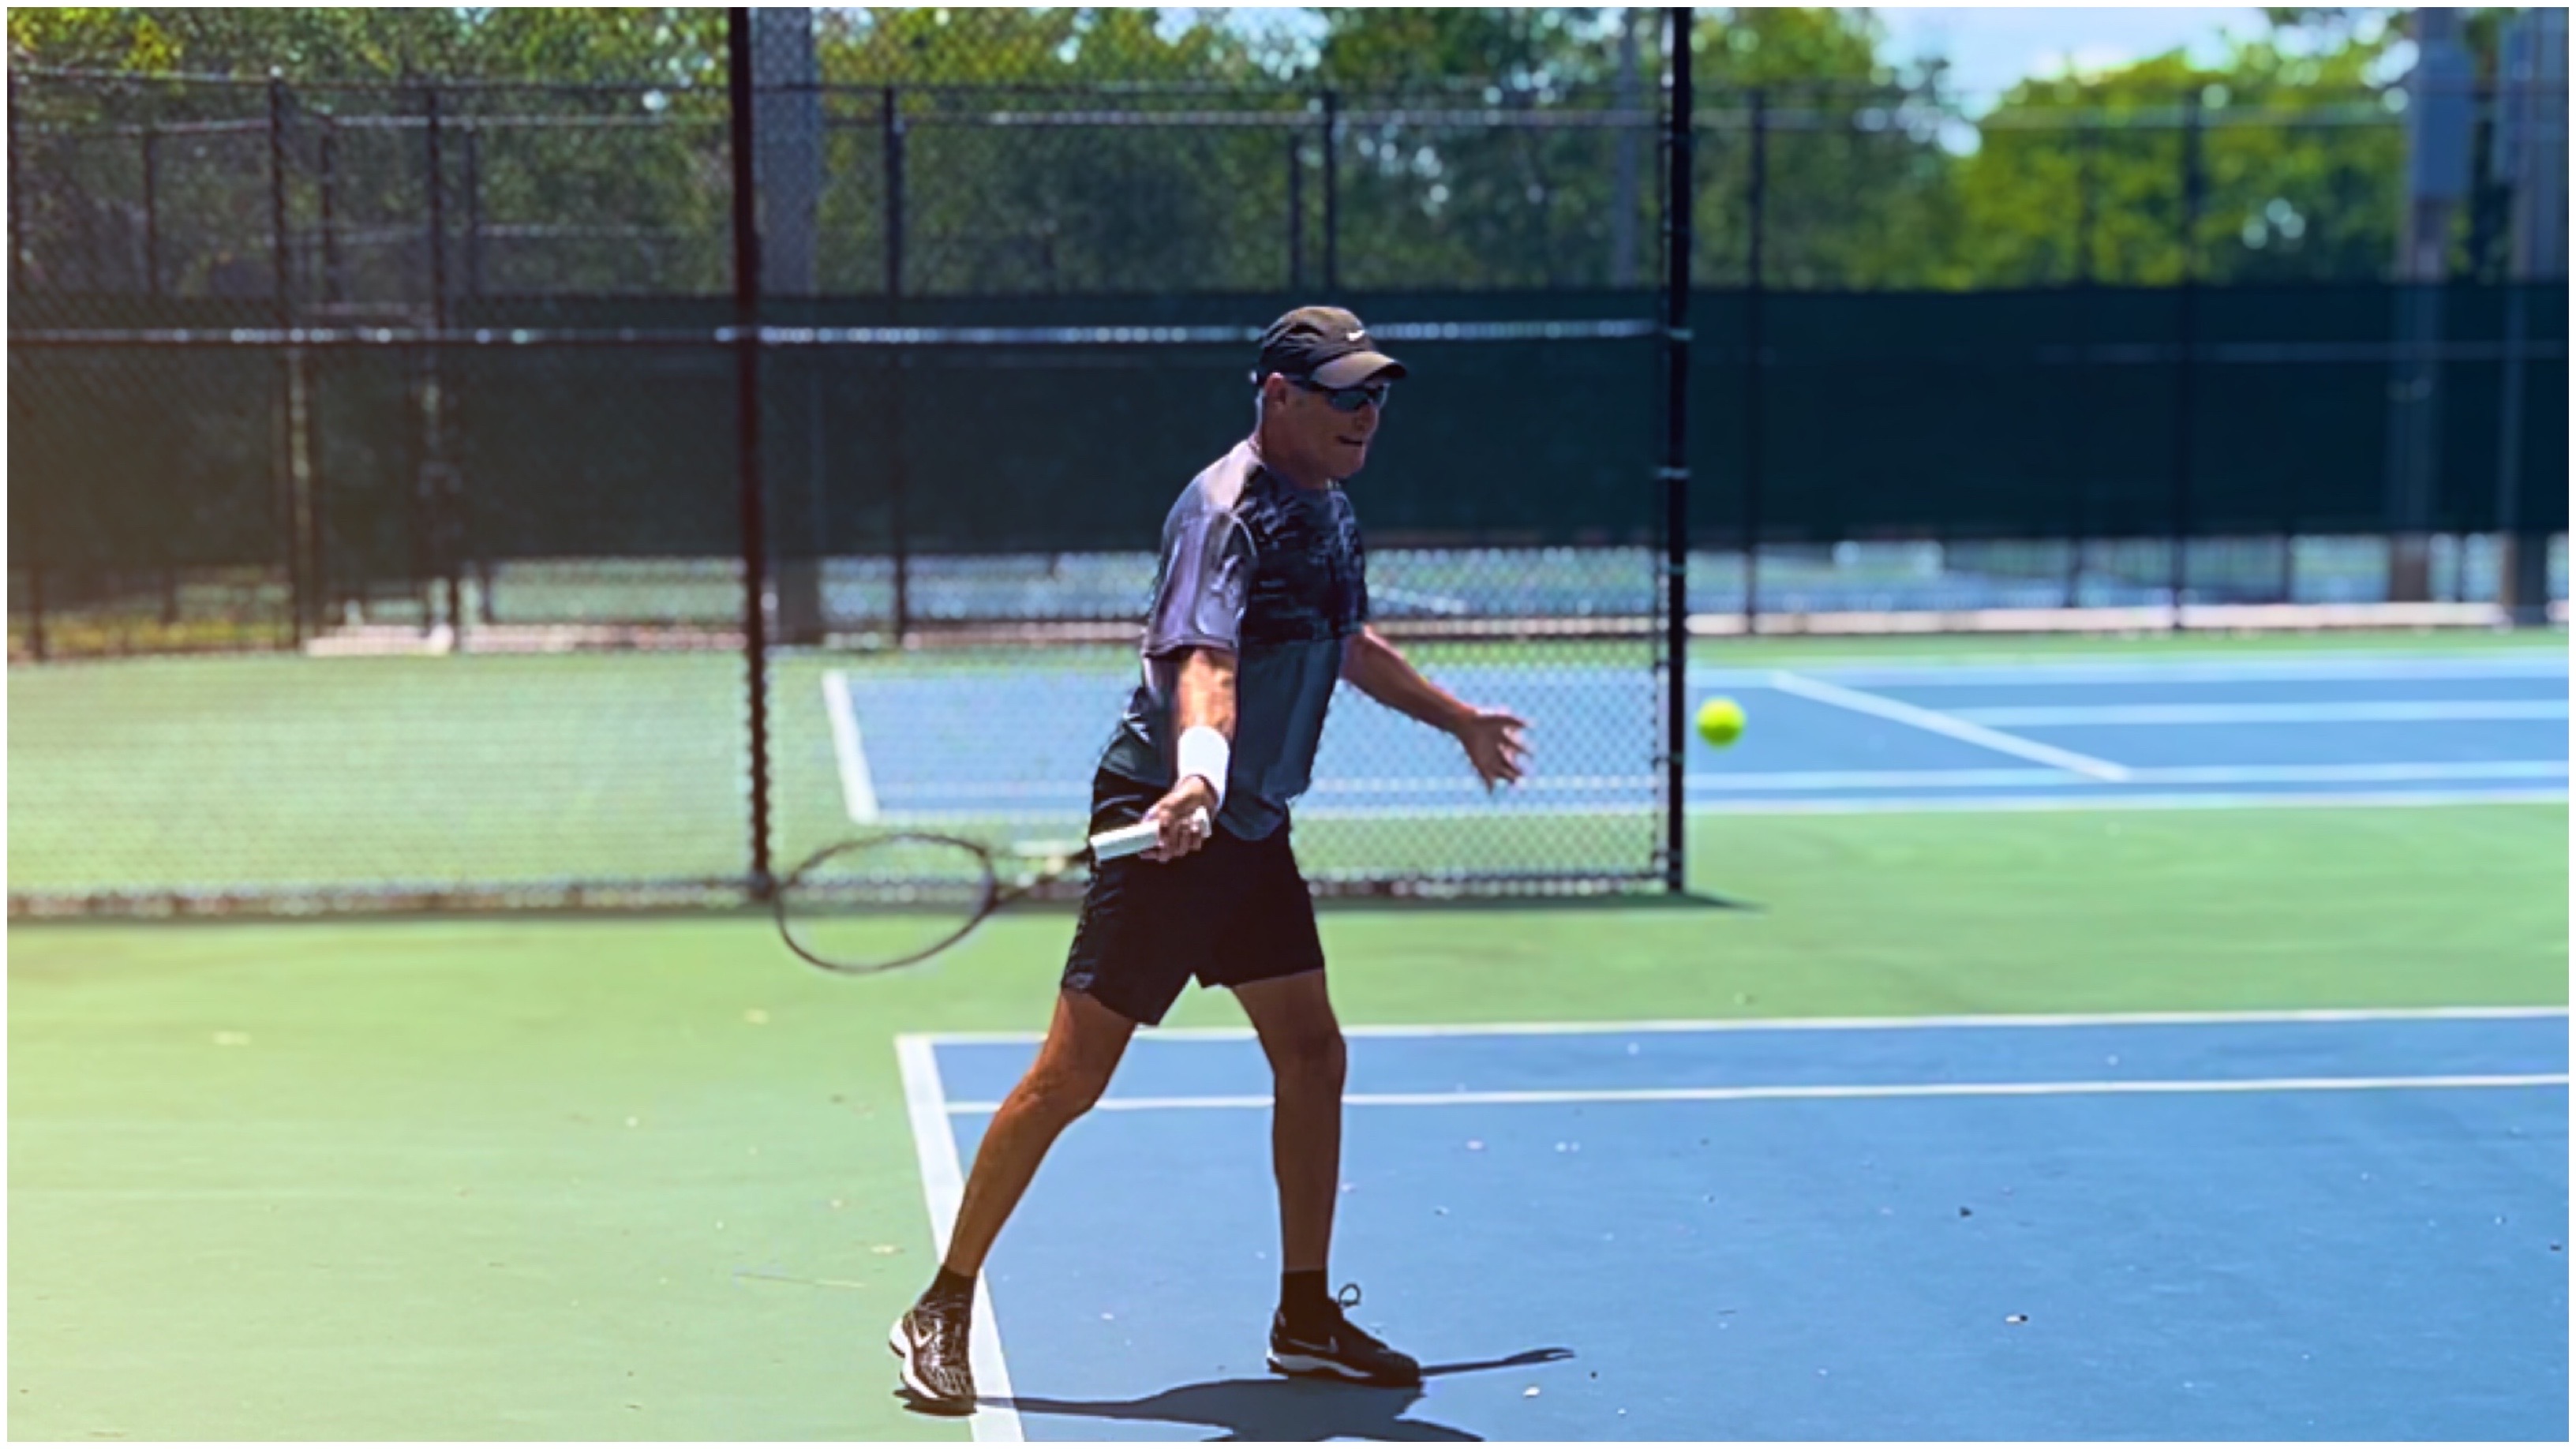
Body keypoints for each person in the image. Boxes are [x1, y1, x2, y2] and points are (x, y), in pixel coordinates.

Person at [889, 306, 1531, 1412]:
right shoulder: (1222, 511)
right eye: (1345, 395)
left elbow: (1348, 642)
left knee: (1313, 1055)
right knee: (1070, 1079)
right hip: (1169, 813)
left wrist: (1457, 717)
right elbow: (1202, 659)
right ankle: (939, 1304)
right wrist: (1196, 773)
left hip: (1246, 827)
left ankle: (1305, 1315)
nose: (1367, 414)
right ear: (1278, 396)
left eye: (1376, 394)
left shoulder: (1328, 511)